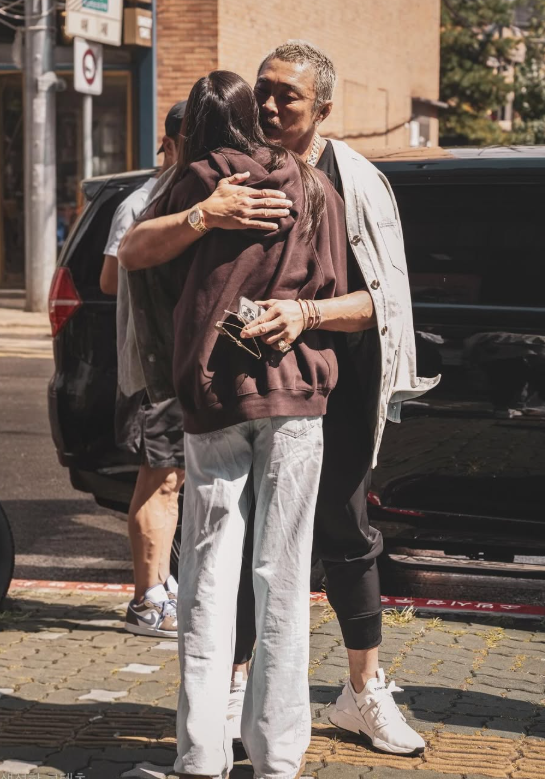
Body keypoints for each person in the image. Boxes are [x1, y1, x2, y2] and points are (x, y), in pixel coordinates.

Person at [119, 42, 439, 758]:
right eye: (260, 90)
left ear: (323, 107)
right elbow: (134, 249)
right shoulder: (211, 176)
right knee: (231, 562)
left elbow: (384, 301)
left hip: (323, 389)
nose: (268, 105)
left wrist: (304, 314)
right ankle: (236, 707)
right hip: (226, 398)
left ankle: (362, 690)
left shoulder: (345, 181)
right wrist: (206, 213)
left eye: (286, 96)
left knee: (340, 538)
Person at [121, 69, 348, 779]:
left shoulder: (198, 180)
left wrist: (202, 217)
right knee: (284, 574)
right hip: (295, 393)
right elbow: (338, 292)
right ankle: (277, 757)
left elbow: (132, 253)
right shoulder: (315, 187)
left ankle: (199, 754)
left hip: (214, 393)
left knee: (207, 573)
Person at [99, 101, 188, 638]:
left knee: (170, 480)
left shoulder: (172, 198)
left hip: (168, 366)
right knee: (161, 481)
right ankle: (146, 600)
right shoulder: (142, 203)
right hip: (150, 366)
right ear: (171, 145)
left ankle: (159, 584)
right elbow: (110, 280)